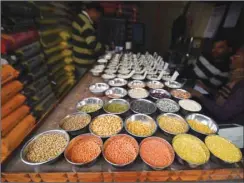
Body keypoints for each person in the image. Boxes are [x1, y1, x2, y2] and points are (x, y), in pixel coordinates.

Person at [189, 46, 244, 125]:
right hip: (213, 114)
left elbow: (223, 114)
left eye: (237, 56)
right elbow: (222, 97)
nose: (232, 58)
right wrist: (207, 88)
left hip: (219, 124)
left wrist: (200, 95)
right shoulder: (236, 77)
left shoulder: (242, 87)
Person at [72, 2, 105, 78]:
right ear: (93, 11)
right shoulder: (86, 24)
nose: (98, 18)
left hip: (79, 59)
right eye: (98, 15)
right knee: (85, 82)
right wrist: (104, 49)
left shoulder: (79, 17)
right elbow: (92, 43)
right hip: (84, 62)